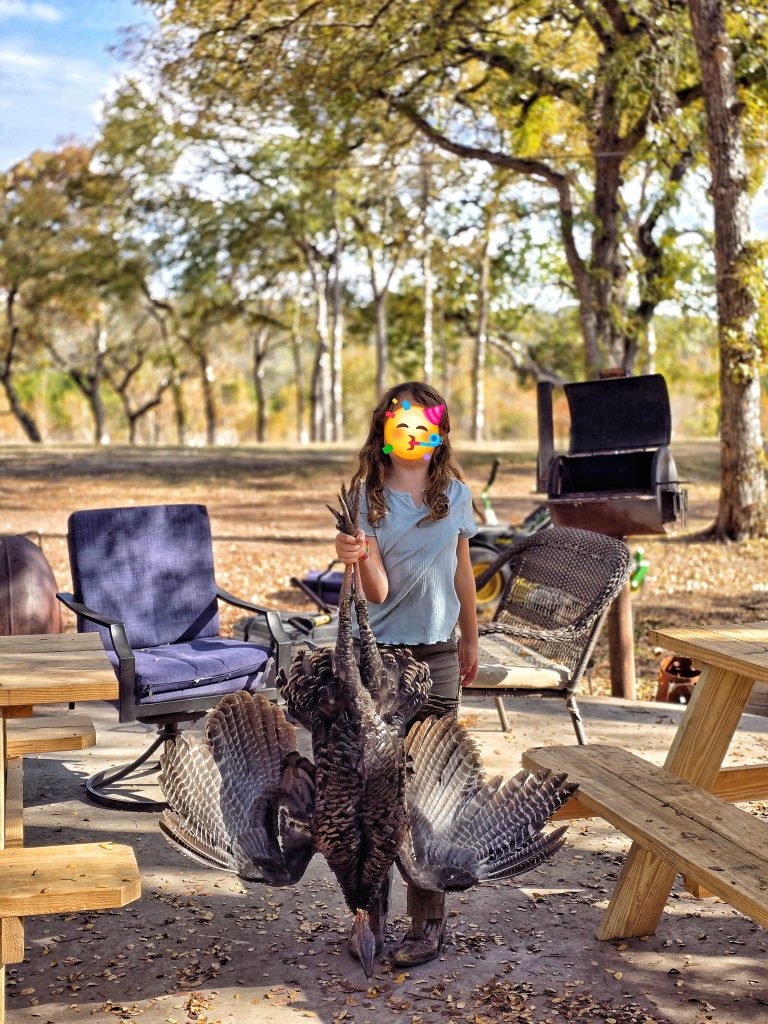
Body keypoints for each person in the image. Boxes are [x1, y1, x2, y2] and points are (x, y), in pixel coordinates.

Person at [334, 380, 479, 966]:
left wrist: (472, 634)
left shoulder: (457, 495)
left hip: (440, 652)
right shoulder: (365, 500)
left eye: (426, 425)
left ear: (439, 432)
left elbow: (462, 569)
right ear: (384, 432)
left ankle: (429, 923)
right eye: (403, 425)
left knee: (433, 791)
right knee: (375, 793)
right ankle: (370, 920)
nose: (414, 436)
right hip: (380, 657)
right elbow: (378, 592)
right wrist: (356, 555)